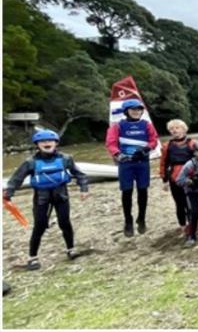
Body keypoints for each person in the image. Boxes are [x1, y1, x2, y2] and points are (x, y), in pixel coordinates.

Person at [4, 129, 89, 270]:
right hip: (41, 197)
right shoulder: (30, 162)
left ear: (56, 143)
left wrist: (84, 189)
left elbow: (80, 175)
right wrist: (9, 194)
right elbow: (16, 179)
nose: (47, 143)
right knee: (40, 225)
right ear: (37, 144)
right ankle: (32, 258)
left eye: (50, 141)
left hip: (61, 195)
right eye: (42, 141)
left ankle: (71, 250)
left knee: (65, 222)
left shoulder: (65, 159)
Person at [105, 99, 159, 237]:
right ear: (126, 111)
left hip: (142, 162)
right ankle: (128, 220)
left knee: (143, 191)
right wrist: (118, 154)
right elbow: (110, 143)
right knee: (127, 192)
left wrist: (147, 148)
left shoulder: (147, 125)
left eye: (139, 109)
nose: (136, 112)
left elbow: (154, 139)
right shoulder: (117, 126)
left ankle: (141, 218)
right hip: (126, 163)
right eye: (133, 109)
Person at [159, 119, 196, 236]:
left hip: (190, 177)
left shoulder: (192, 143)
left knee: (190, 202)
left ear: (184, 129)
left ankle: (192, 224)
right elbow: (163, 163)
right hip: (174, 178)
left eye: (177, 128)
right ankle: (183, 226)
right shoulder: (167, 146)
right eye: (172, 129)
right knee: (179, 204)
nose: (175, 131)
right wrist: (164, 180)